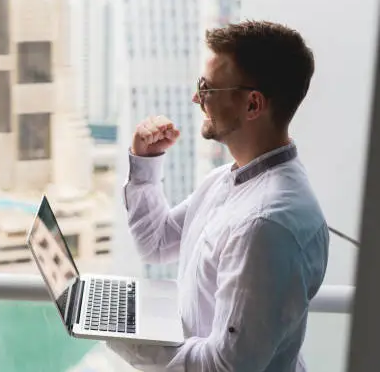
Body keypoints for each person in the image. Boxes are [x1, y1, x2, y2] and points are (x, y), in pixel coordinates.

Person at [108, 20, 329, 371]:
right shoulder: (227, 181)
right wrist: (146, 163)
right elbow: (157, 243)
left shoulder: (266, 225)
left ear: (252, 105)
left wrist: (124, 334)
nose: (197, 98)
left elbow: (225, 366)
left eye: (208, 88)